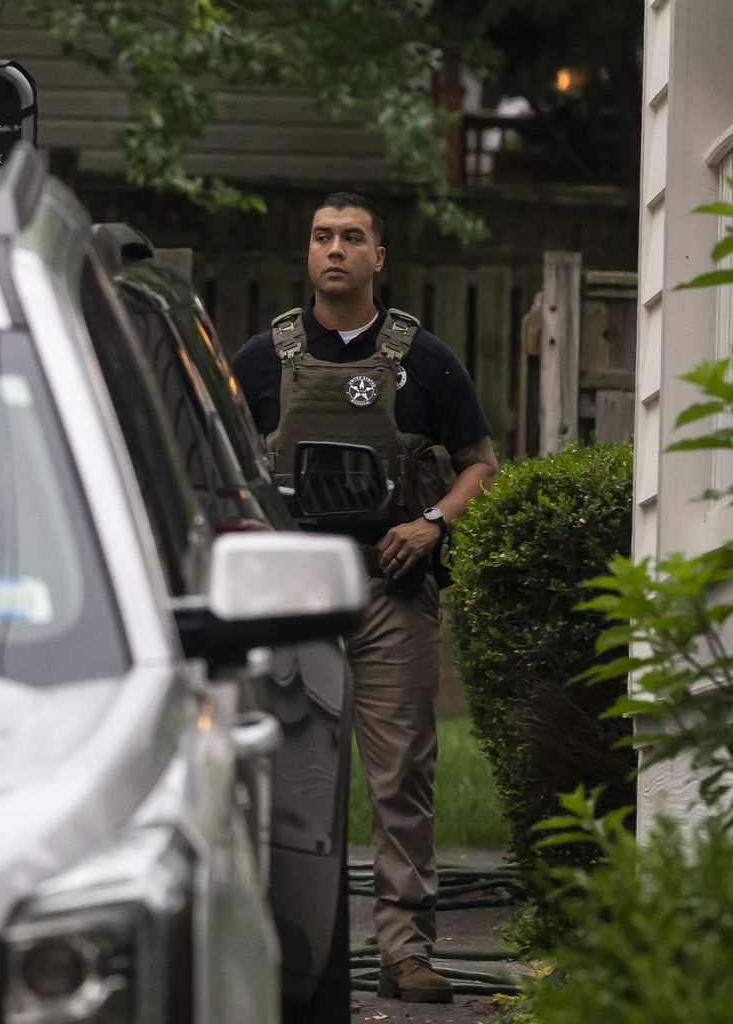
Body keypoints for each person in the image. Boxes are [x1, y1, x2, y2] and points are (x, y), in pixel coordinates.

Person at [232, 193, 498, 1005]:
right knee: (282, 774)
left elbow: (479, 464)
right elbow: (219, 467)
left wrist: (430, 525)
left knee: (401, 776)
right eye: (322, 237)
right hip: (295, 594)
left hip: (393, 586)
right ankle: (272, 950)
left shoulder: (429, 361)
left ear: (379, 257)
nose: (335, 250)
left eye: (352, 238)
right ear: (307, 253)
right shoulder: (258, 358)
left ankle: (405, 953)